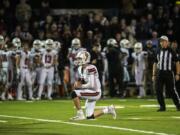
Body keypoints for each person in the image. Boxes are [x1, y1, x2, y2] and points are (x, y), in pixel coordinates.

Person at [70, 50, 116, 120]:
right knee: (89, 117)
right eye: (78, 58)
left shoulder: (91, 68)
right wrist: (78, 82)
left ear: (85, 59)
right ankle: (108, 109)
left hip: (95, 92)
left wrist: (80, 86)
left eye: (80, 58)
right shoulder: (80, 68)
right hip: (90, 91)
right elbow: (83, 79)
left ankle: (80, 114)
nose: (78, 60)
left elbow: (91, 84)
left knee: (74, 93)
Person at [152, 35, 180, 111]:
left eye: (163, 41)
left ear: (167, 42)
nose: (161, 42)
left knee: (172, 90)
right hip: (160, 73)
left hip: (169, 73)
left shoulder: (171, 51)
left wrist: (178, 74)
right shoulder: (158, 50)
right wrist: (153, 74)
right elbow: (155, 63)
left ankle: (178, 105)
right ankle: (162, 106)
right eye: (161, 41)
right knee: (158, 90)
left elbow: (177, 62)